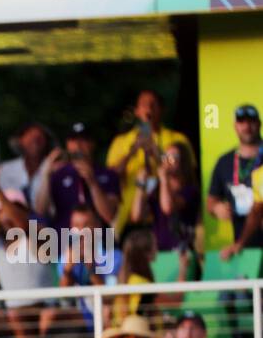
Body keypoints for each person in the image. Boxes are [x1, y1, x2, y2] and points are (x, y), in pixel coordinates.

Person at [105, 89, 194, 236]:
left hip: (166, 217)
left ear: (162, 109)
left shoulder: (177, 139)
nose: (149, 109)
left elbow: (186, 173)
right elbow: (111, 177)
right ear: (137, 111)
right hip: (129, 217)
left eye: (153, 105)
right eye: (144, 105)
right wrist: (132, 152)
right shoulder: (121, 142)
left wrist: (155, 151)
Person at [37, 121, 120, 230]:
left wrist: (93, 183)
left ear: (92, 143)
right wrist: (46, 175)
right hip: (63, 239)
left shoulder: (108, 175)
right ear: (67, 144)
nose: (78, 145)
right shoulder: (59, 174)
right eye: (73, 140)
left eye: (83, 140)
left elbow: (109, 215)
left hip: (99, 240)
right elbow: (40, 211)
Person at [207, 104, 263, 254]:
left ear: (259, 123)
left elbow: (258, 209)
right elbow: (211, 201)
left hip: (242, 244)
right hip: (244, 249)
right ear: (235, 126)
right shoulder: (224, 161)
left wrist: (239, 244)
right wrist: (216, 207)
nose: (246, 126)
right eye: (242, 122)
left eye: (251, 121)